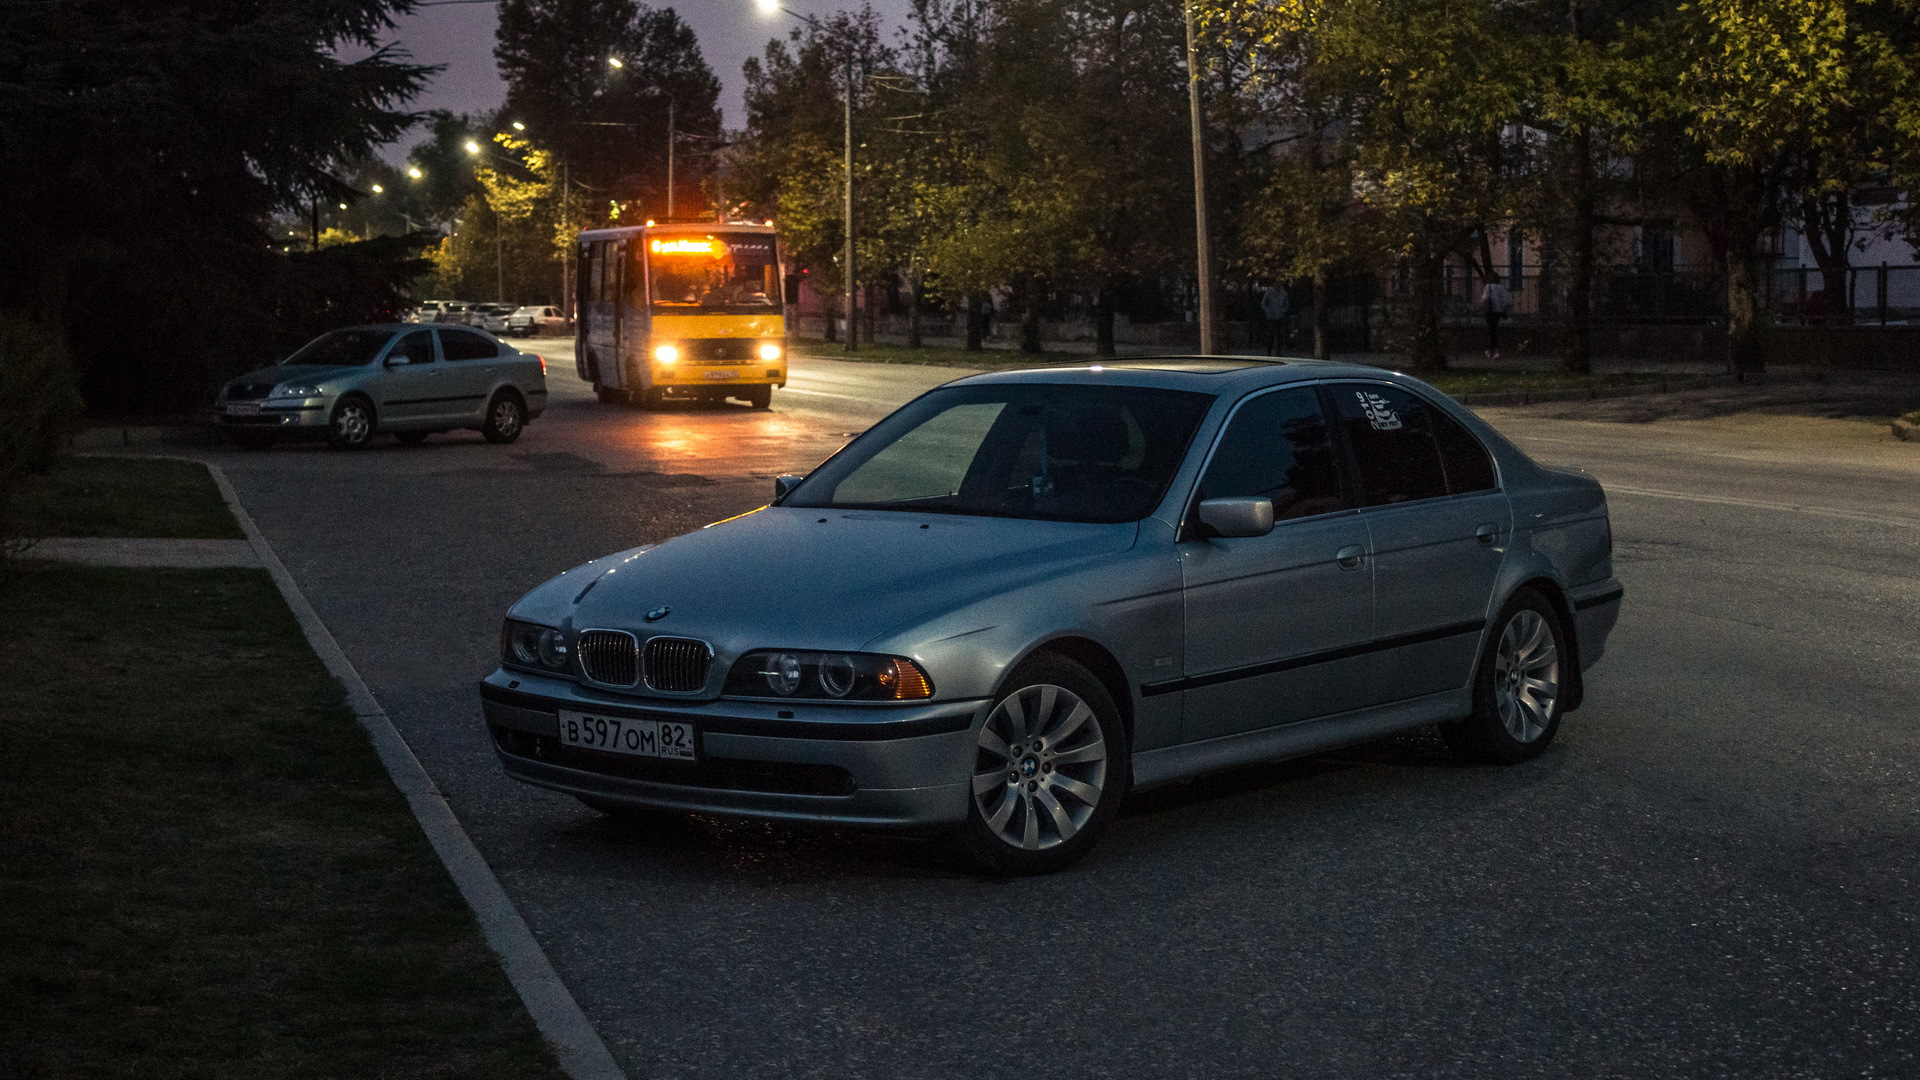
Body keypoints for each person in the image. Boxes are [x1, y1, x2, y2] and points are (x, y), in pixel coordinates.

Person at [1481, 275, 1512, 359]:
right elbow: (1505, 301)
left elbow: (1484, 299)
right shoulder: (1502, 288)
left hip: (1490, 311)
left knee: (1491, 331)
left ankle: (1492, 350)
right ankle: (1495, 350)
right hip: (1498, 312)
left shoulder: (1488, 286)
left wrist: (1483, 308)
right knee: (1494, 330)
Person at [1259, 284, 1291, 356]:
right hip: (1271, 316)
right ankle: (1269, 352)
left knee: (1279, 335)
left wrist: (1283, 311)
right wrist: (1268, 311)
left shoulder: (1284, 293)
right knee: (1270, 335)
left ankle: (1278, 352)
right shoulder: (1269, 293)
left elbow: (1286, 304)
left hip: (1280, 316)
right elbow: (1263, 303)